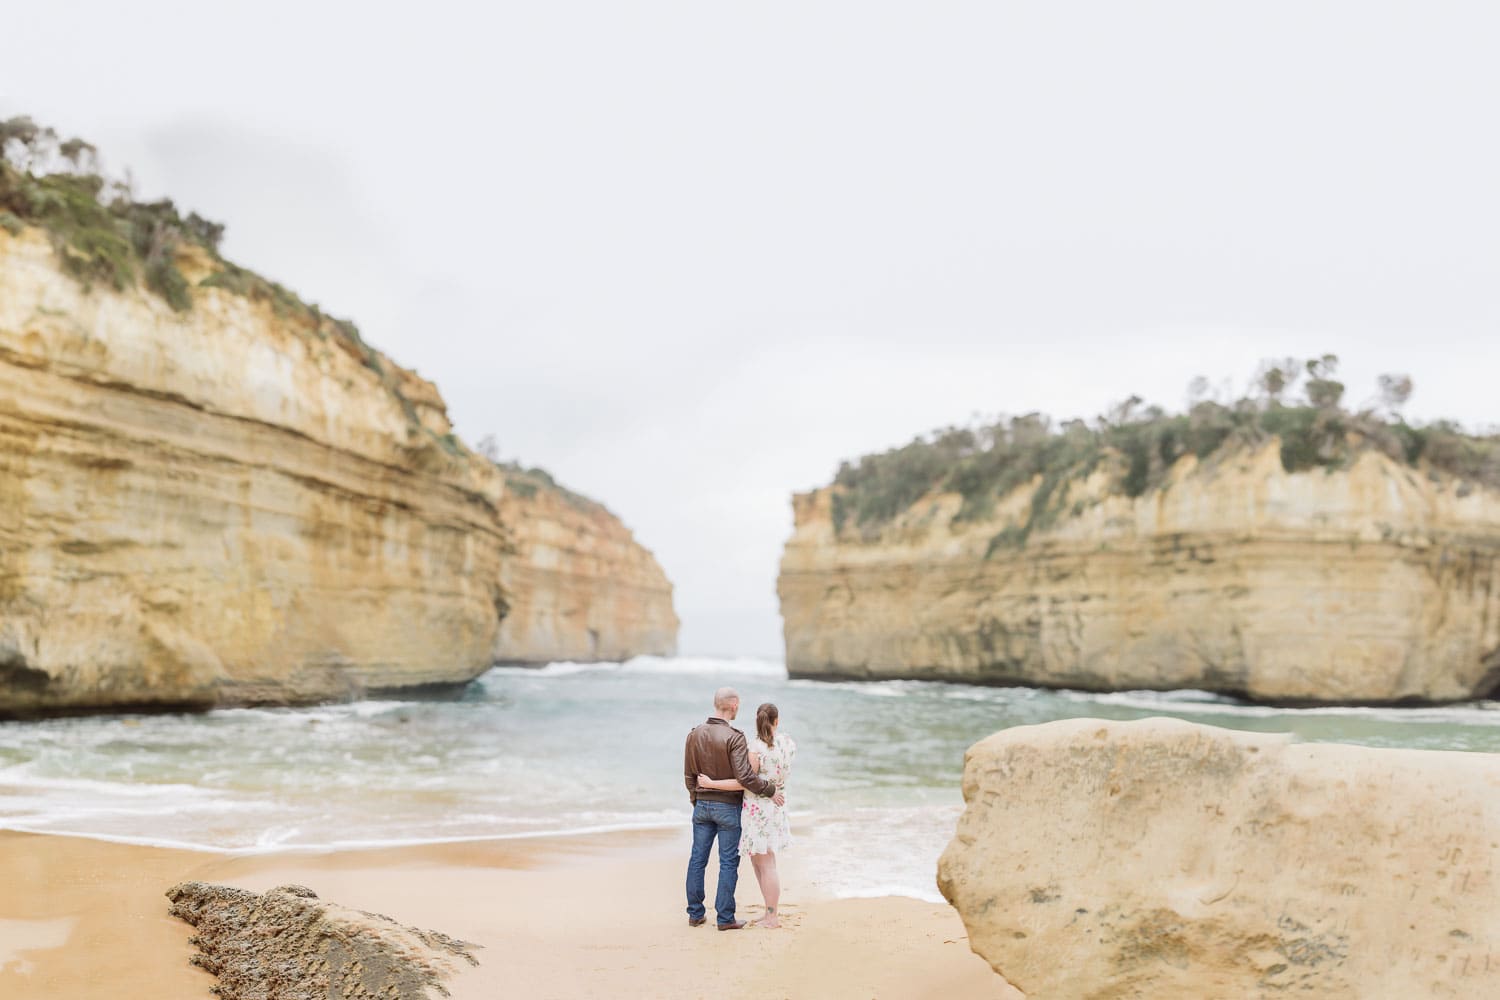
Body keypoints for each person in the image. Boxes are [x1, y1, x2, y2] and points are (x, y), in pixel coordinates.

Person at [683, 687, 782, 930]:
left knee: (697, 859)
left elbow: (688, 774)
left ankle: (695, 914)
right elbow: (746, 777)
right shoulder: (735, 737)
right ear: (734, 705)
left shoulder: (694, 734)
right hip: (728, 808)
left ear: (716, 703)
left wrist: (696, 799)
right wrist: (770, 790)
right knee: (728, 862)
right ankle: (725, 918)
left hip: (702, 805)